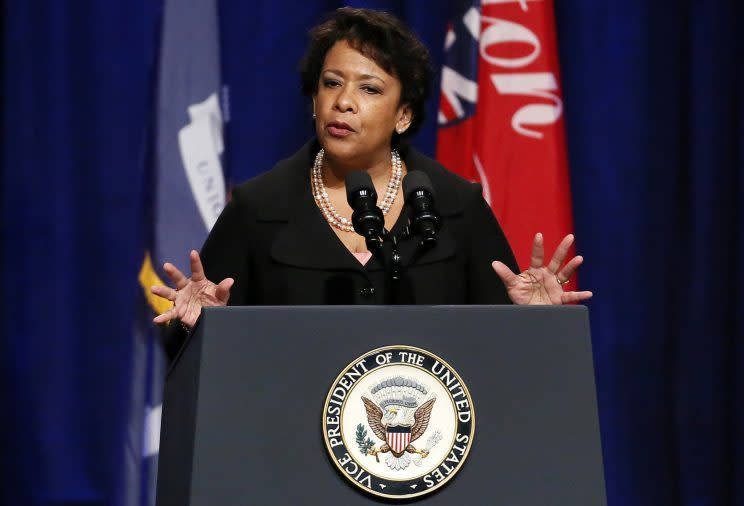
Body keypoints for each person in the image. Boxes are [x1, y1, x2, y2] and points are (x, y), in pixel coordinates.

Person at [151, 8, 592, 359]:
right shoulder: (259, 207)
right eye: (331, 84)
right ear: (314, 100)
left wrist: (534, 322)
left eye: (370, 89)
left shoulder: (455, 205)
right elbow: (192, 364)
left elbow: (501, 360)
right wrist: (197, 325)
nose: (343, 102)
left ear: (404, 115)